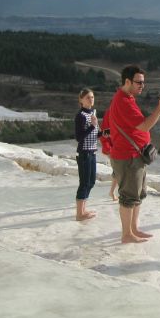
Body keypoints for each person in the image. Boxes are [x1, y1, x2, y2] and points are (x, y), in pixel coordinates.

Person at [101, 65, 160, 243]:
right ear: (127, 81)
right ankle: (127, 234)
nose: (142, 86)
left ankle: (134, 229)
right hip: (128, 157)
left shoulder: (127, 98)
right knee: (129, 197)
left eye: (143, 82)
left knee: (137, 194)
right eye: (138, 82)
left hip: (135, 156)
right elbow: (145, 126)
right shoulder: (123, 101)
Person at [74, 88, 99, 221]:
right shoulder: (81, 115)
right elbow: (79, 137)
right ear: (81, 100)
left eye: (92, 97)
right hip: (84, 153)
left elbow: (94, 134)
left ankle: (83, 210)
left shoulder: (93, 113)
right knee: (84, 183)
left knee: (91, 182)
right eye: (88, 97)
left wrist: (104, 133)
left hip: (92, 152)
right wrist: (92, 126)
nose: (91, 99)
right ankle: (79, 214)